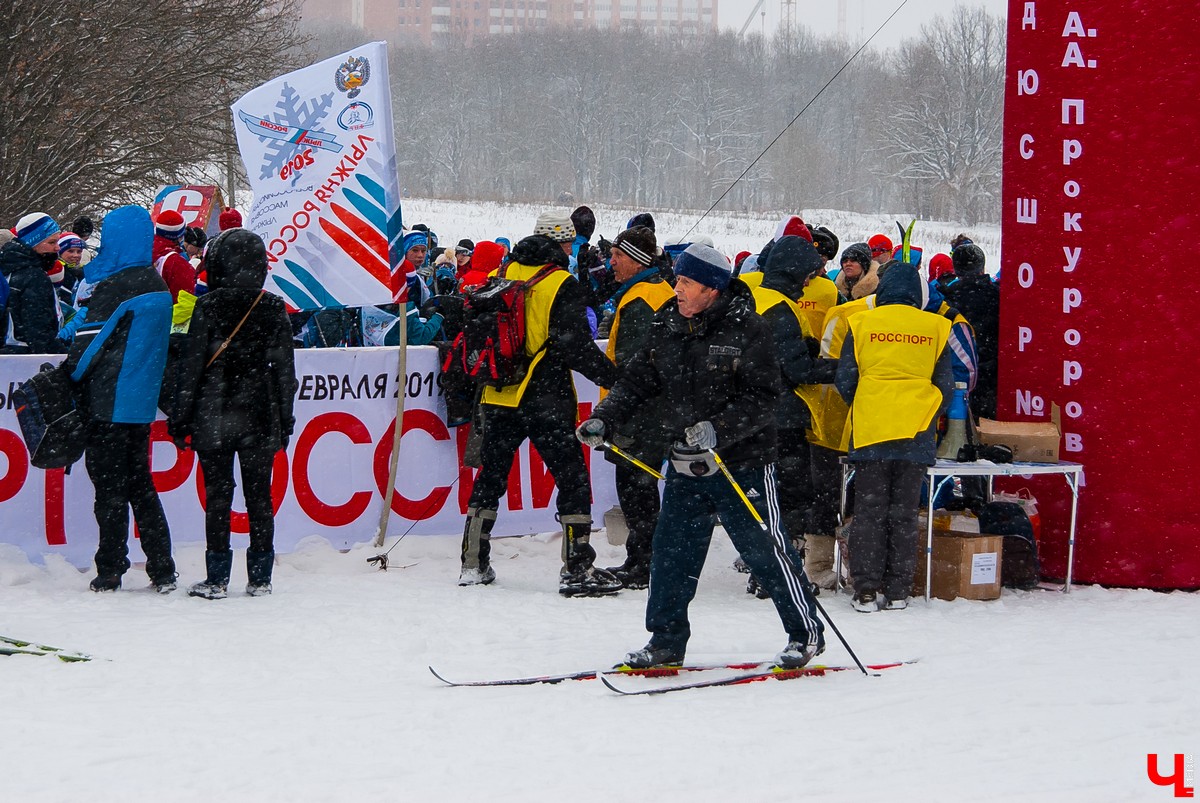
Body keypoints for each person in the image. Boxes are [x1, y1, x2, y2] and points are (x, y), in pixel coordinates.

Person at [578, 243, 825, 670]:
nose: (677, 289)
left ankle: (805, 634)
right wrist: (604, 417)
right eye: (678, 280)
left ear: (711, 288)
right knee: (672, 553)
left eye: (686, 282)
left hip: (741, 463)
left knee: (766, 552)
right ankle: (665, 640)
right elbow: (637, 380)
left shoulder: (748, 329)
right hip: (685, 461)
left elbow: (765, 398)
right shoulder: (667, 323)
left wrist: (720, 428)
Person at [457, 232, 619, 596]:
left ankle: (473, 560)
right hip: (547, 397)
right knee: (572, 479)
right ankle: (577, 566)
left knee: (490, 477)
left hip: (499, 393)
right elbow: (576, 348)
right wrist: (617, 380)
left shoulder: (507, 270)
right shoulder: (560, 283)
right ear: (557, 255)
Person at [170, 229, 297, 599]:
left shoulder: (207, 306)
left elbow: (191, 369)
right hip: (259, 415)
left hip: (214, 414)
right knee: (260, 498)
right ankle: (260, 576)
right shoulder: (272, 307)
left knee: (219, 497)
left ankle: (217, 577)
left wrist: (180, 419)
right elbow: (286, 374)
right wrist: (284, 420)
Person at [64, 205, 176, 593]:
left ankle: (110, 567)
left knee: (109, 492)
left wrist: (68, 377)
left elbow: (87, 347)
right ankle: (162, 566)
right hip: (140, 403)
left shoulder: (116, 286)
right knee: (142, 487)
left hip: (107, 400)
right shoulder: (157, 284)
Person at [834, 263, 953, 612]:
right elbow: (945, 385)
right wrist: (925, 413)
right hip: (916, 434)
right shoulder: (935, 327)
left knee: (869, 512)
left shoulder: (861, 323)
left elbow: (845, 379)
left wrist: (868, 404)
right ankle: (899, 590)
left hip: (872, 431)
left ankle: (866, 589)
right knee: (903, 513)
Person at [747, 234, 837, 596]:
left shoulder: (756, 297)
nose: (808, 284)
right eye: (807, 276)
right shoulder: (781, 310)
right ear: (793, 272)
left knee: (762, 496)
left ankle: (762, 569)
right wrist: (839, 367)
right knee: (791, 496)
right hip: (781, 418)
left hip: (752, 415)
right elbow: (796, 370)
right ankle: (781, 571)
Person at [595, 225, 674, 589]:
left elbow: (634, 367)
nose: (610, 262)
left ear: (637, 259)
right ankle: (645, 558)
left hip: (639, 415)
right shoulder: (659, 290)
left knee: (635, 489)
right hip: (654, 410)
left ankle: (642, 562)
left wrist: (617, 410)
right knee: (641, 489)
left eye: (617, 256)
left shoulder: (640, 299)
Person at [944, 243, 999, 420]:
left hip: (957, 373)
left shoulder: (947, 298)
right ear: (982, 267)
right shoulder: (998, 295)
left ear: (956, 270)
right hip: (992, 373)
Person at [1, 212, 64, 354]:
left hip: (7, 356)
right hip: (26, 359)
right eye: (51, 242)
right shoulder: (33, 277)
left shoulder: (8, 266)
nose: (57, 248)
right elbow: (39, 332)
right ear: (33, 243)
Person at [151, 210, 197, 302]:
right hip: (167, 313)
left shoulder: (145, 252)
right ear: (178, 236)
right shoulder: (176, 263)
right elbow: (187, 298)